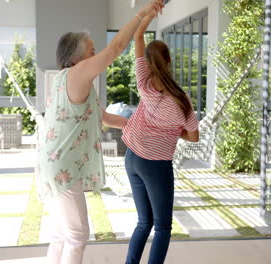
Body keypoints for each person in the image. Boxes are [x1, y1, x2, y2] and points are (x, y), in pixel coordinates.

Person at [36, 1, 165, 263]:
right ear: (76, 57)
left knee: (62, 234)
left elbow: (104, 118)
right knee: (77, 234)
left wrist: (143, 126)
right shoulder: (77, 73)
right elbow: (117, 47)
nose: (96, 56)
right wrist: (141, 15)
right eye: (92, 51)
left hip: (52, 164)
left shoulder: (69, 82)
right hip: (63, 167)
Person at [122, 10, 200, 264]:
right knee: (163, 228)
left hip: (132, 157)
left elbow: (138, 37)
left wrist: (148, 15)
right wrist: (176, 130)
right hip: (155, 164)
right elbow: (194, 136)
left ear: (148, 62)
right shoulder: (181, 99)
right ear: (168, 60)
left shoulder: (143, 84)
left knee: (144, 221)